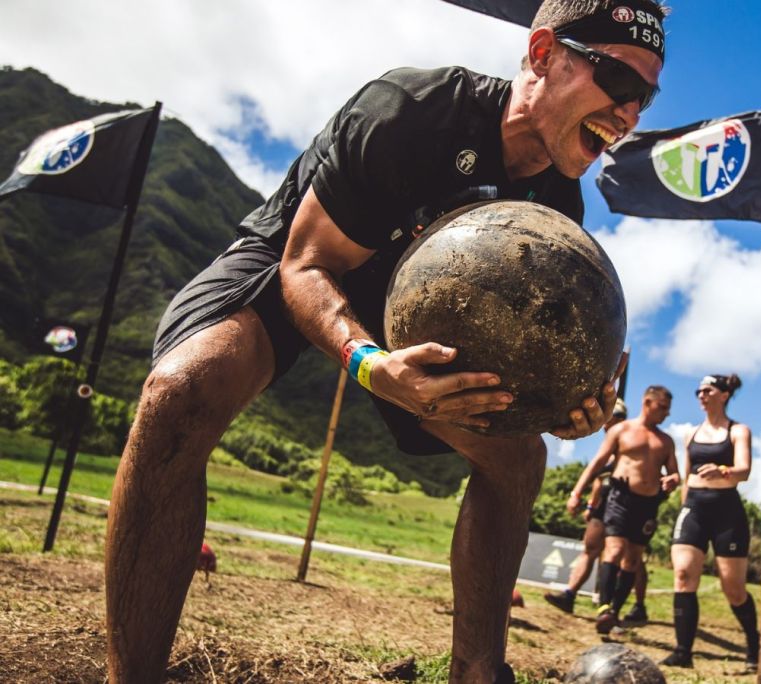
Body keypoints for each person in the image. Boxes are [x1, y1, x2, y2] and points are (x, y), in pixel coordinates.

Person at [102, 2, 668, 682]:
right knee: (180, 390)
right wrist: (370, 363)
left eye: (647, 96)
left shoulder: (554, 208)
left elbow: (539, 371)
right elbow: (306, 266)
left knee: (519, 458)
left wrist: (567, 408)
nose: (631, 113)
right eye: (619, 82)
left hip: (431, 322)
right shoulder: (414, 108)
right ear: (544, 53)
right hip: (309, 262)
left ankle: (477, 672)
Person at [661, 374, 759, 671]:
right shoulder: (691, 434)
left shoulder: (738, 430)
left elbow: (744, 470)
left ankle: (754, 644)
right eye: (698, 391)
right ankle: (683, 651)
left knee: (734, 589)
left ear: (724, 395)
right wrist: (683, 507)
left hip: (727, 512)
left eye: (708, 390)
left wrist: (724, 470)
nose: (701, 395)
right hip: (694, 509)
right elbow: (688, 477)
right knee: (683, 575)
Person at [566, 385, 679, 635]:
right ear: (647, 402)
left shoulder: (666, 441)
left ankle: (614, 611)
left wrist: (672, 481)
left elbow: (674, 474)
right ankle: (604, 607)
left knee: (633, 558)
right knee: (614, 550)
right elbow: (597, 463)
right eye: (662, 407)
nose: (666, 414)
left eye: (668, 410)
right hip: (620, 497)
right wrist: (576, 493)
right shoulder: (622, 430)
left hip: (648, 503)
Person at [544, 398, 628, 614]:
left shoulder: (632, 442)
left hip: (627, 505)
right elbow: (599, 477)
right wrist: (589, 504)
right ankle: (569, 594)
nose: (607, 425)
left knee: (629, 557)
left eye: (612, 420)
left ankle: (626, 605)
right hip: (603, 505)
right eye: (607, 421)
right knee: (590, 548)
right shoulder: (608, 448)